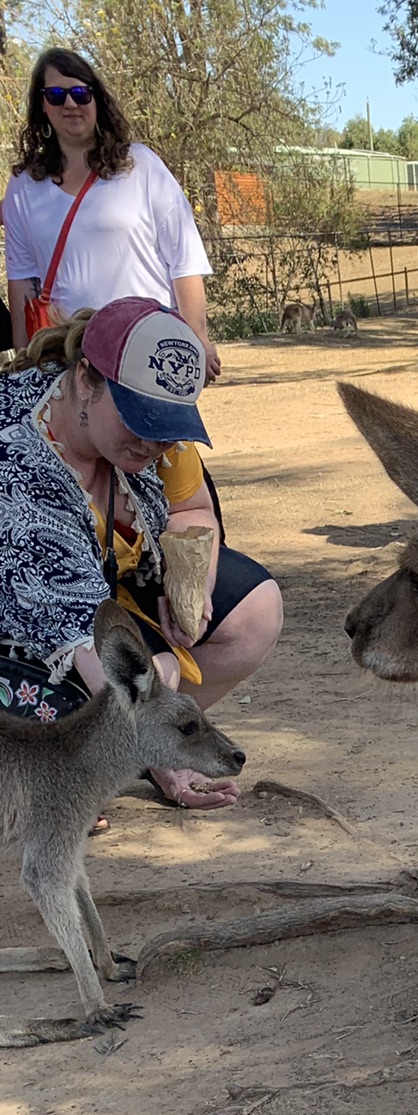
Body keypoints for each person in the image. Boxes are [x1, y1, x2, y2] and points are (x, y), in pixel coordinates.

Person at [0, 299, 281, 808]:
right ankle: (63, 779)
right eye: (140, 420)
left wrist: (189, 583)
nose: (156, 441)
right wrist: (171, 760)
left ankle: (124, 752)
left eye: (168, 425)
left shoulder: (150, 423)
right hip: (28, 617)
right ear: (86, 379)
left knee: (252, 612)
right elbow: (90, 644)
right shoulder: (20, 468)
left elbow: (193, 508)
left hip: (101, 582)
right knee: (142, 679)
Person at [4, 48, 221, 380]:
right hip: (68, 357)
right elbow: (22, 282)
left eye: (80, 93)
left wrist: (199, 341)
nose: (71, 104)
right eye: (56, 95)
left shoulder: (142, 166)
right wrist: (24, 364)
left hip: (151, 347)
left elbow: (184, 260)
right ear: (42, 104)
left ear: (96, 100)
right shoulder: (23, 186)